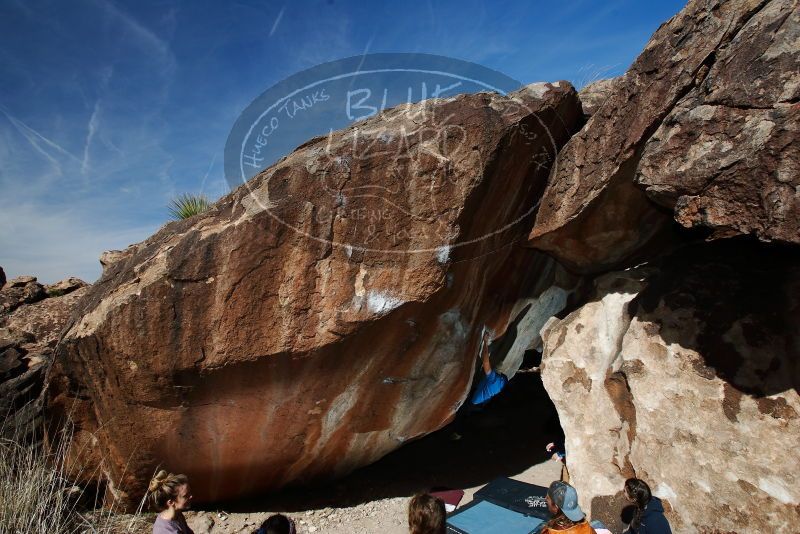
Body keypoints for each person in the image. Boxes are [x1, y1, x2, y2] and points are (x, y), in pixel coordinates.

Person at [148, 470, 195, 534]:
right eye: (185, 496)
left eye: (189, 493)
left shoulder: (177, 515)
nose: (191, 496)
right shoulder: (167, 531)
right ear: (170, 502)